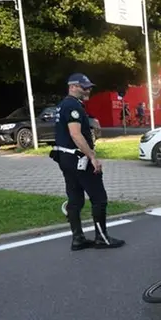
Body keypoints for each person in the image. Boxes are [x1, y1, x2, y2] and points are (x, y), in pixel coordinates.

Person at [51, 73, 125, 251]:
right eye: (84, 87)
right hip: (78, 158)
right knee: (99, 198)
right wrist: (92, 156)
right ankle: (101, 237)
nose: (88, 90)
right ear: (73, 87)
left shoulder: (63, 105)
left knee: (75, 198)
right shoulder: (73, 106)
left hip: (65, 158)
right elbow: (75, 134)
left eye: (89, 87)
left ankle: (78, 238)